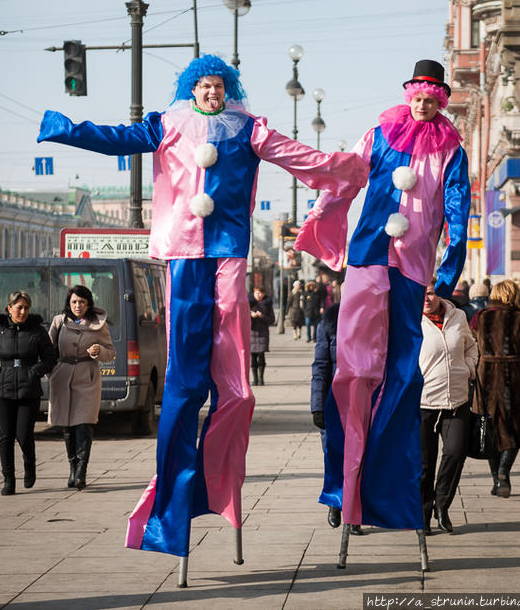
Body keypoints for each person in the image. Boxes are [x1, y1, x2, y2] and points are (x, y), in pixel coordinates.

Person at [38, 54, 367, 558]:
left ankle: (220, 453)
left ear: (228, 89)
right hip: (183, 249)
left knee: (233, 377)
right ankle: (176, 487)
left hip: (229, 248)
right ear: (191, 90)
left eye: (219, 86)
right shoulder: (168, 125)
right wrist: (64, 129)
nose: (212, 93)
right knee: (184, 377)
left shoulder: (248, 129)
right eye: (204, 86)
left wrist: (347, 166)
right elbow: (113, 138)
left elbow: (300, 157)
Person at [295, 59, 470, 531]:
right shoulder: (379, 135)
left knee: (400, 377)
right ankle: (343, 486)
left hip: (413, 266)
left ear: (440, 101)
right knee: (352, 372)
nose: (424, 102)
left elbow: (459, 209)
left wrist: (446, 275)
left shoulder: (451, 149)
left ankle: (385, 489)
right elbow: (344, 178)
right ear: (409, 93)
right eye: (419, 94)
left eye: (433, 97)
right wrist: (316, 220)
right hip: (369, 253)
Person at [0, 290, 57, 495]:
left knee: (24, 435)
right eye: (19, 307)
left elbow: (50, 358)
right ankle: (8, 479)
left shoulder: (37, 331)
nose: (23, 311)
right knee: (6, 437)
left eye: (26, 308)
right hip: (2, 390)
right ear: (9, 308)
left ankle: (29, 465)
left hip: (28, 389)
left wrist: (35, 372)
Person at [473, 279, 520, 498]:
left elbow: (472, 349)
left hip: (485, 379)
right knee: (513, 428)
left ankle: (497, 479)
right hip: (513, 379)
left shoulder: (481, 318)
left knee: (491, 430)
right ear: (512, 296)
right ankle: (503, 473)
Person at [419, 279, 477, 535]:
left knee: (455, 452)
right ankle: (423, 513)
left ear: (437, 294)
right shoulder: (411, 321)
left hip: (457, 399)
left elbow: (472, 346)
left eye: (430, 293)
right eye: (421, 295)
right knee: (424, 463)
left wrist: (469, 369)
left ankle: (442, 505)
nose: (427, 299)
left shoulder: (458, 316)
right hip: (423, 402)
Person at [48, 286, 115, 490]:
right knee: (67, 425)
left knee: (84, 424)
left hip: (87, 377)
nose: (78, 306)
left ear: (88, 304)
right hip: (62, 377)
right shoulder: (59, 322)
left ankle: (81, 471)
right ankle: (72, 466)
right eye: (74, 302)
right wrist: (49, 372)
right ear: (69, 303)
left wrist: (99, 350)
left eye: (82, 302)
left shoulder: (98, 324)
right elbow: (48, 350)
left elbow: (111, 352)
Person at [249, 286, 275, 386]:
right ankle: (254, 379)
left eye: (260, 293)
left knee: (261, 355)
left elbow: (272, 319)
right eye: (256, 293)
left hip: (263, 332)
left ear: (264, 294)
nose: (258, 295)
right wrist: (250, 315)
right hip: (252, 332)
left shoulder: (267, 303)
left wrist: (262, 316)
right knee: (253, 357)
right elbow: (241, 316)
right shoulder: (249, 303)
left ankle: (261, 379)